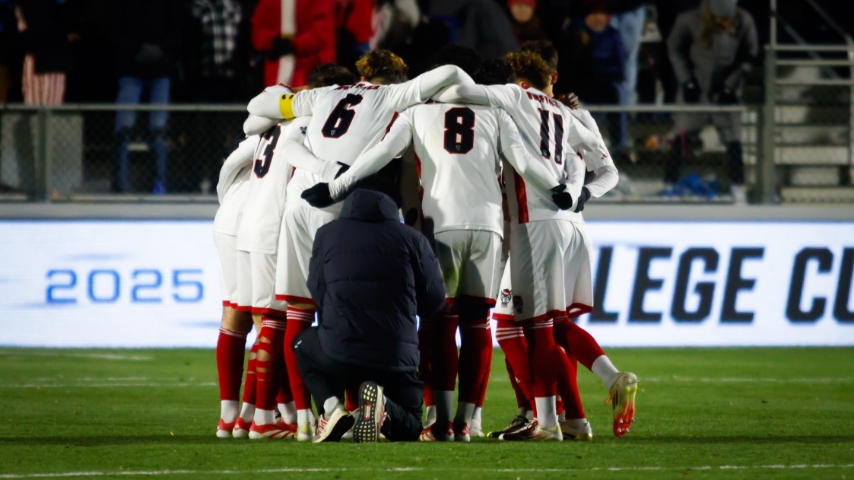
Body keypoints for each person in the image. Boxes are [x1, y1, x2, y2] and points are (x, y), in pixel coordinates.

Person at [303, 45, 573, 442]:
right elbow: (524, 160)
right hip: (487, 226)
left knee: (440, 324)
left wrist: (336, 185)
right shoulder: (494, 113)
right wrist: (557, 187)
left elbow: (379, 155)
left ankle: (440, 422)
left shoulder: (415, 112)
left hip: (440, 226)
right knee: (477, 325)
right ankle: (468, 422)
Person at [245, 50, 473, 440]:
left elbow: (257, 107)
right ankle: (354, 410)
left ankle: (307, 420)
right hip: (337, 207)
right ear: (399, 79)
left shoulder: (324, 94)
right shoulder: (394, 97)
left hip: (297, 203)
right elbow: (449, 70)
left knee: (298, 314)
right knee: (346, 307)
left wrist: (292, 98)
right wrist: (472, 93)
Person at [294, 179, 447, 443]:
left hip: (341, 350)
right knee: (411, 425)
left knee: (300, 344)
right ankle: (384, 407)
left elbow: (316, 290)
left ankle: (332, 408)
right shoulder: (413, 239)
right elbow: (434, 302)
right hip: (397, 356)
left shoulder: (327, 234)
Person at [664, 0, 758, 204]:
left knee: (733, 139)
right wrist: (686, 81)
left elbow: (750, 54)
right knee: (682, 134)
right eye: (720, 19)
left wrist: (731, 84)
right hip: (696, 89)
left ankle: (737, 185)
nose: (725, 23)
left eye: (728, 19)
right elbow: (674, 48)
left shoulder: (744, 22)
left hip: (726, 91)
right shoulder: (688, 20)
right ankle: (669, 183)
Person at [109, 0, 181, 194]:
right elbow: (115, 26)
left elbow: (177, 26)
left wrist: (159, 50)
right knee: (123, 128)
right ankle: (119, 184)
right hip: (130, 67)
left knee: (158, 129)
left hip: (160, 69)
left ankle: (159, 183)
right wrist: (137, 49)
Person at [250, 0, 336, 88]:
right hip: (276, 68)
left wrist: (291, 44)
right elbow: (258, 30)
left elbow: (321, 34)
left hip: (308, 68)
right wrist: (274, 41)